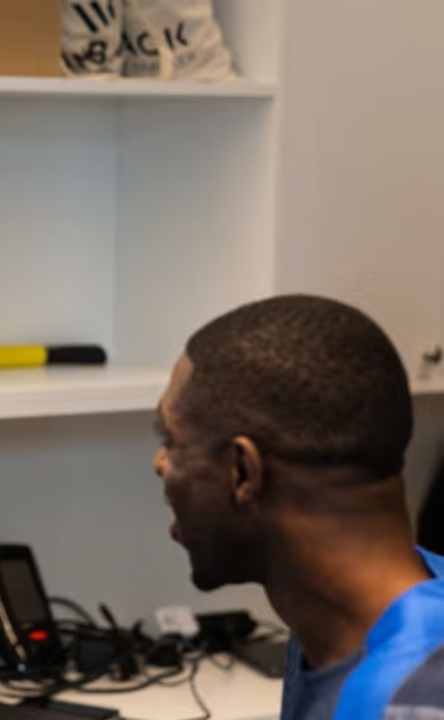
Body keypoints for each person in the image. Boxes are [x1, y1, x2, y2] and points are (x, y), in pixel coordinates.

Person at [153, 295, 444, 720]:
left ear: (243, 473)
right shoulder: (338, 629)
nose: (160, 465)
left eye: (172, 443)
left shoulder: (409, 700)